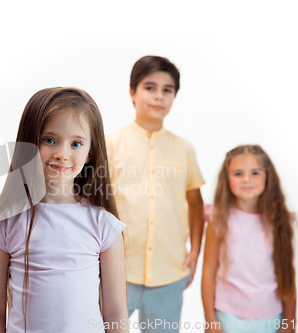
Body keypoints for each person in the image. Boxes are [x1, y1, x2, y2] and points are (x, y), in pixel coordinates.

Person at [0, 87, 128, 332]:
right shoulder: (5, 224)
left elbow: (116, 314)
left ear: (90, 152)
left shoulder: (104, 226)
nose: (61, 154)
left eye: (76, 143)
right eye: (49, 140)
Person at [106, 55, 205, 332]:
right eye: (150, 87)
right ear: (132, 92)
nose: (158, 96)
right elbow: (93, 202)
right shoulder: (109, 144)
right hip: (117, 270)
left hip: (168, 272)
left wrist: (195, 251)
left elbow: (196, 204)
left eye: (167, 90)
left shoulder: (184, 149)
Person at [202, 145, 296, 333]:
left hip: (271, 317)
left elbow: (287, 273)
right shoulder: (219, 220)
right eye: (238, 174)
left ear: (267, 176)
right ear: (226, 178)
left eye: (255, 173)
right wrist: (210, 320)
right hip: (228, 316)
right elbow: (209, 272)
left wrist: (290, 322)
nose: (246, 180)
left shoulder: (281, 222)